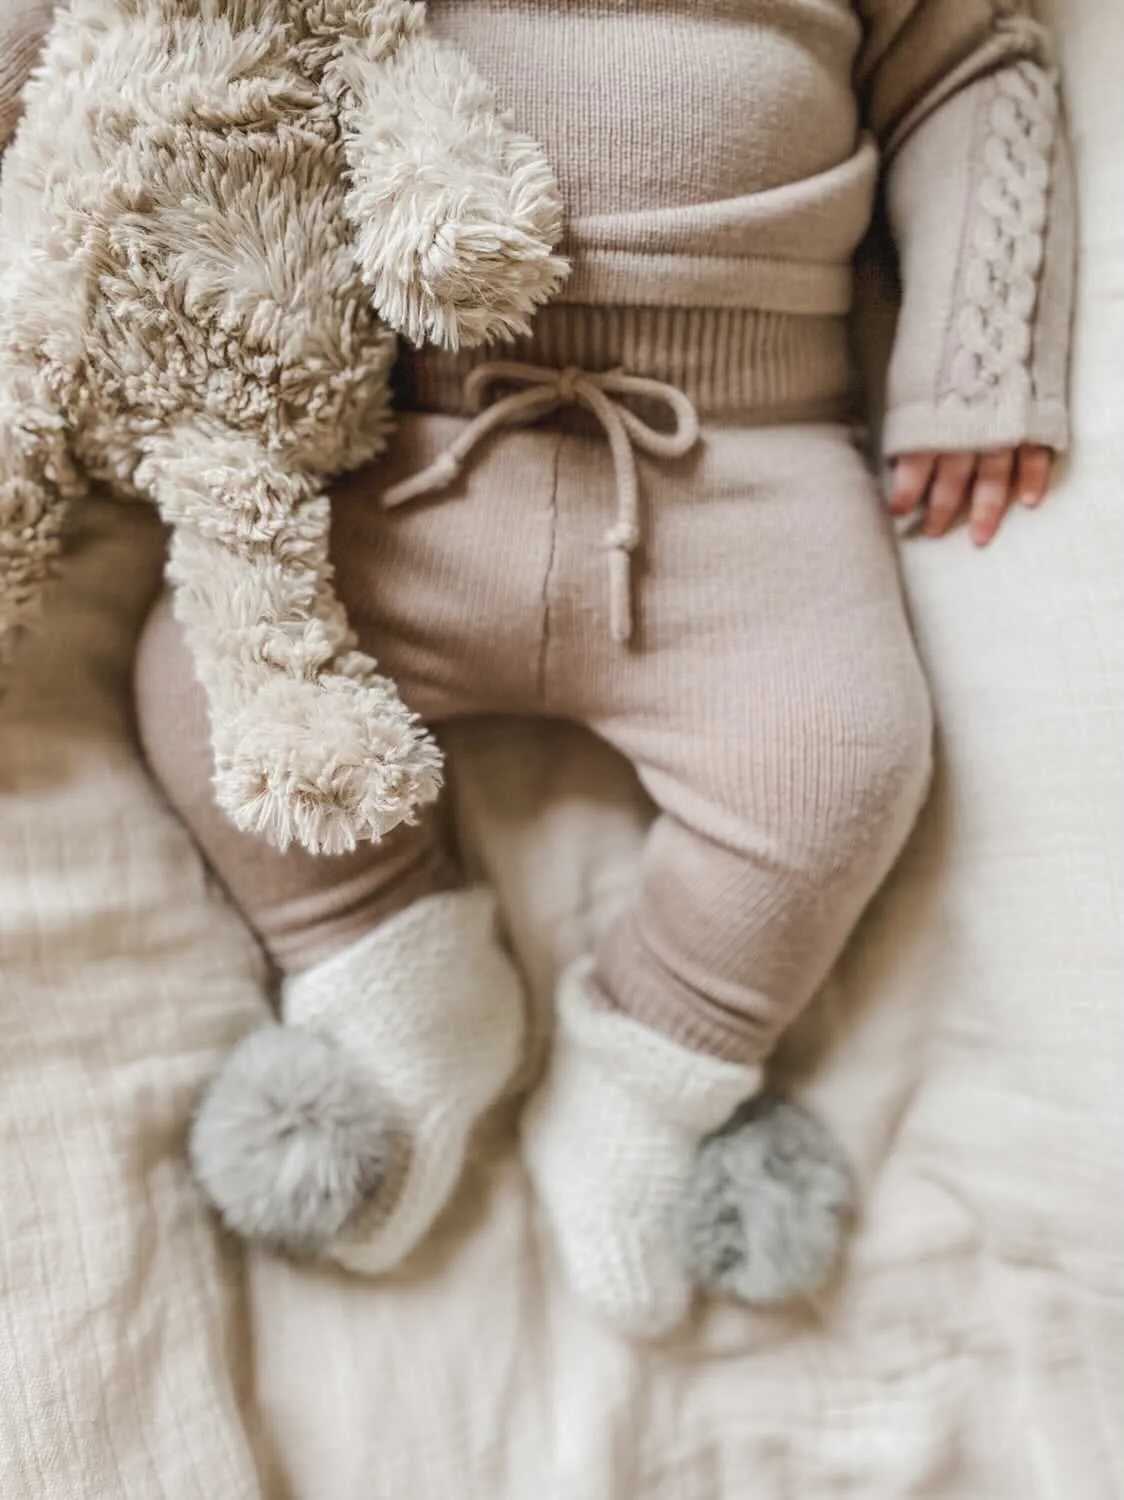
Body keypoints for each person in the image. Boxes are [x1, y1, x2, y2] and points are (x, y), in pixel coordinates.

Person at [3, 0, 1074, 1338]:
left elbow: (975, 68)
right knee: (211, 688)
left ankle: (658, 1059)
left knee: (840, 762)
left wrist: (974, 369)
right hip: (414, 437)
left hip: (743, 468)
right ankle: (392, 962)